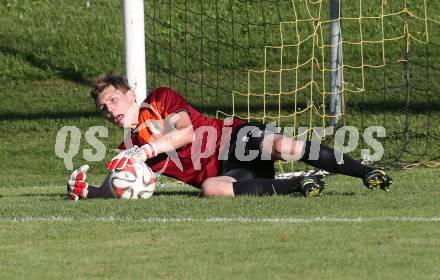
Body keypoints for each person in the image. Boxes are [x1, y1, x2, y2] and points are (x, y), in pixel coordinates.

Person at [67, 72, 393, 200]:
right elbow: (123, 182)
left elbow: (185, 133)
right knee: (211, 189)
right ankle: (301, 183)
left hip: (234, 138)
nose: (110, 109)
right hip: (227, 172)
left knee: (283, 145)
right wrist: (90, 191)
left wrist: (145, 151)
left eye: (113, 99)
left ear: (130, 93)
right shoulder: (129, 147)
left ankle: (366, 172)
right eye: (103, 108)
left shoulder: (159, 100)